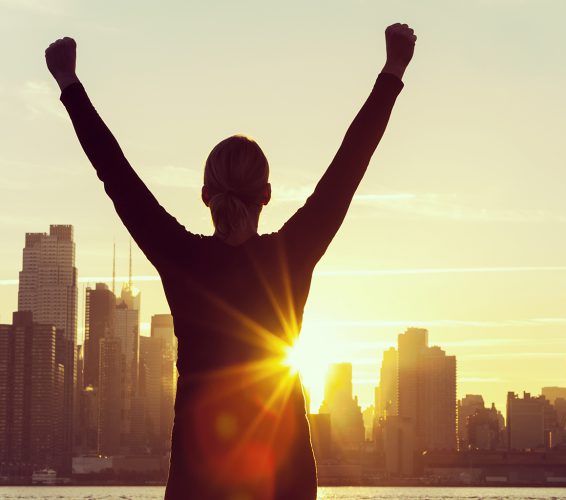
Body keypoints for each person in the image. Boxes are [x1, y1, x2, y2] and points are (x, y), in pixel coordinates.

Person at [46, 22, 416, 500]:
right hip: (285, 484)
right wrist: (392, 70)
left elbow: (115, 173)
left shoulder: (183, 258)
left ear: (205, 196)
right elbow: (349, 165)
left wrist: (69, 84)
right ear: (266, 194)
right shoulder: (291, 256)